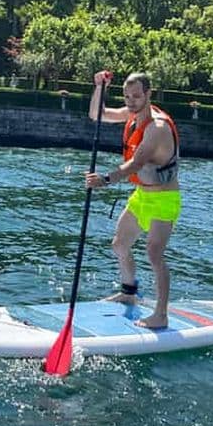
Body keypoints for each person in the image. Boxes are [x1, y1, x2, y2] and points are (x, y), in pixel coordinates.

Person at [85, 70, 181, 329]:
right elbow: (97, 114)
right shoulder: (132, 115)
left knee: (154, 254)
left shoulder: (157, 128)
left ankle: (161, 314)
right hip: (142, 196)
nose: (131, 102)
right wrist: (98, 87)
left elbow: (135, 164)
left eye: (137, 96)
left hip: (164, 199)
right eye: (127, 97)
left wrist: (104, 179)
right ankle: (129, 292)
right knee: (119, 244)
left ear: (148, 94)